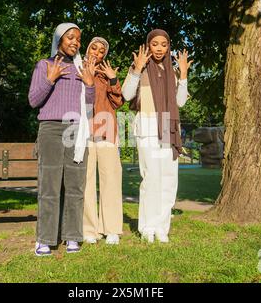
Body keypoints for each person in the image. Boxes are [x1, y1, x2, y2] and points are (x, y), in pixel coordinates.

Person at [28, 23, 96, 256]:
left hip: (77, 131)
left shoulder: (82, 68)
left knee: (76, 186)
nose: (75, 42)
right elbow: (33, 101)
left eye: (78, 38)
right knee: (50, 186)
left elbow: (89, 108)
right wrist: (50, 79)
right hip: (50, 129)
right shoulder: (44, 65)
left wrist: (89, 85)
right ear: (59, 39)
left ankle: (72, 237)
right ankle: (45, 239)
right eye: (70, 38)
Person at [121, 29, 192, 243]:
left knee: (168, 179)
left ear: (168, 46)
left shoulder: (172, 71)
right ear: (148, 45)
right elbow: (126, 95)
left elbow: (179, 102)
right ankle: (147, 227)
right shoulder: (139, 68)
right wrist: (137, 69)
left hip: (168, 127)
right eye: (155, 44)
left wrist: (183, 75)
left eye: (163, 44)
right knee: (151, 178)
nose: (159, 48)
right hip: (148, 126)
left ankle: (162, 227)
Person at [82, 37, 124, 245]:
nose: (97, 53)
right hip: (83, 132)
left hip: (107, 131)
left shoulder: (106, 75)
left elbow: (118, 102)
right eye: (94, 48)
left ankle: (112, 229)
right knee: (86, 181)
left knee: (111, 180)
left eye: (101, 51)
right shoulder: (76, 70)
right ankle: (89, 230)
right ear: (87, 49)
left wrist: (114, 79)